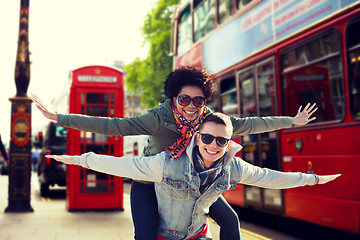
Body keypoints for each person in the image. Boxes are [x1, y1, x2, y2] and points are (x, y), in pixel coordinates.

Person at [30, 66, 317, 240]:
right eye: (184, 99)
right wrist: (59, 117)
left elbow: (250, 124)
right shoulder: (159, 117)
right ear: (173, 98)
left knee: (230, 221)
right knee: (145, 235)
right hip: (151, 181)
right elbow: (114, 126)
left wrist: (291, 121)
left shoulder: (211, 120)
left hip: (191, 182)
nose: (192, 106)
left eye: (198, 100)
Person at [47, 112, 340, 240]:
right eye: (208, 139)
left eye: (222, 141)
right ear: (197, 137)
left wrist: (311, 178)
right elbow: (120, 161)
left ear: (229, 142)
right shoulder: (165, 156)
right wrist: (76, 159)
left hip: (198, 235)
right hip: (163, 227)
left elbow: (269, 176)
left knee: (231, 220)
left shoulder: (232, 165)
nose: (214, 145)